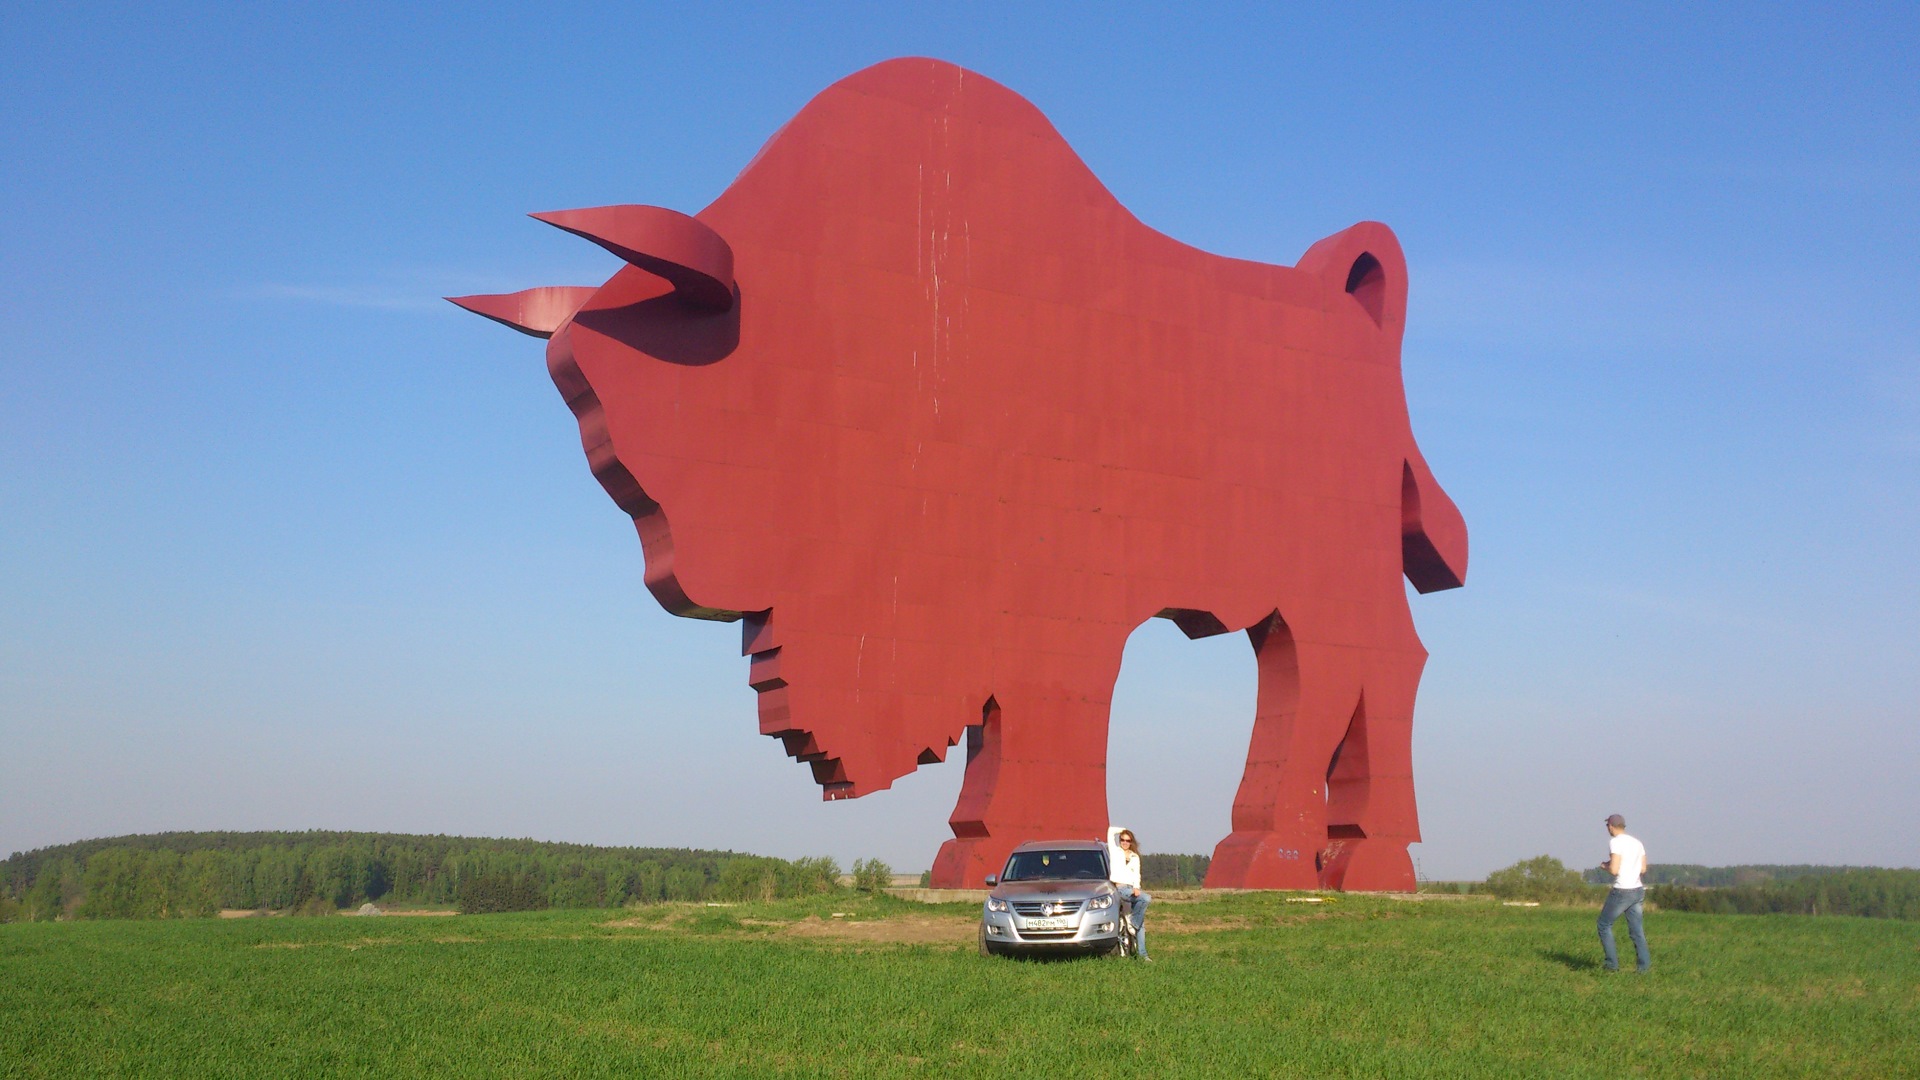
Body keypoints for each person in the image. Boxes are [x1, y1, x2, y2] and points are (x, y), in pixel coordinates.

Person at [1597, 813, 1652, 973]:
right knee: (1637, 931)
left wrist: (1604, 866)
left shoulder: (1615, 842)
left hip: (1622, 890)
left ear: (1611, 826)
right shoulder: (1637, 843)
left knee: (1603, 925)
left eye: (1607, 825)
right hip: (1638, 890)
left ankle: (1611, 965)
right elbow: (1643, 868)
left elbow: (1614, 869)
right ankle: (1643, 968)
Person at [1106, 826, 1152, 961]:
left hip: (1132, 889)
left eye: (1128, 840)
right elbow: (1110, 831)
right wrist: (1123, 829)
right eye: (1122, 840)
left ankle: (1143, 955)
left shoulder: (1134, 856)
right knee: (1147, 898)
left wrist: (1137, 887)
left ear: (1131, 842)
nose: (1125, 842)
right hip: (1120, 889)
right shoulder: (1115, 851)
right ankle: (1134, 922)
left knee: (1141, 925)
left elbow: (1137, 874)